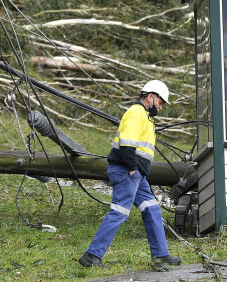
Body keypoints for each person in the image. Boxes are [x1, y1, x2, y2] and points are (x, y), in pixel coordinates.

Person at [78, 80, 182, 270]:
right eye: (160, 103)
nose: (161, 107)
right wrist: (132, 168)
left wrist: (137, 171)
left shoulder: (145, 116)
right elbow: (127, 144)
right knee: (119, 212)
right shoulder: (136, 113)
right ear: (150, 97)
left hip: (136, 175)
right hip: (128, 171)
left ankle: (161, 255)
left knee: (152, 209)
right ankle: (92, 256)